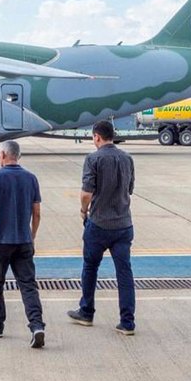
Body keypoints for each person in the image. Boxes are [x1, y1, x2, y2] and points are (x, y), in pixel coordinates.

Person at [67, 120, 137, 335]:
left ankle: (86, 311)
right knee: (124, 273)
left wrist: (83, 210)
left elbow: (86, 192)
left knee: (90, 267)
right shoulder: (127, 158)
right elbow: (130, 189)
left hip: (99, 223)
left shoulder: (93, 159)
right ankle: (127, 322)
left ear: (97, 137)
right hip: (123, 223)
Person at [0, 140, 46, 348]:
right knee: (28, 285)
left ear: (2, 155)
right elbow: (37, 213)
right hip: (23, 240)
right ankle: (36, 325)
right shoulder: (31, 178)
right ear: (18, 156)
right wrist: (31, 235)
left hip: (1, 241)